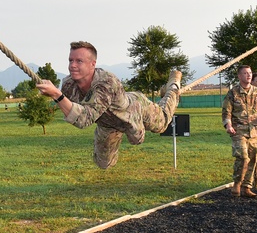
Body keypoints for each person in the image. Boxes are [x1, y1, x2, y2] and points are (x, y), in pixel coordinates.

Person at [36, 41, 181, 169]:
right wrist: (54, 95)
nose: (72, 65)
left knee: (163, 122)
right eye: (70, 60)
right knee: (104, 164)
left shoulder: (106, 82)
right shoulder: (68, 84)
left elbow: (84, 119)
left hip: (135, 109)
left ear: (93, 64)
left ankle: (173, 87)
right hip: (107, 123)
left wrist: (56, 94)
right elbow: (69, 105)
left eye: (79, 61)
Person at [221, 65, 257, 198]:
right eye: (245, 73)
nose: (249, 75)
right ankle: (237, 184)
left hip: (254, 132)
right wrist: (228, 125)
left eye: (250, 73)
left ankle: (247, 187)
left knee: (253, 159)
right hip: (238, 131)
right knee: (243, 157)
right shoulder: (233, 93)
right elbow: (226, 112)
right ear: (239, 76)